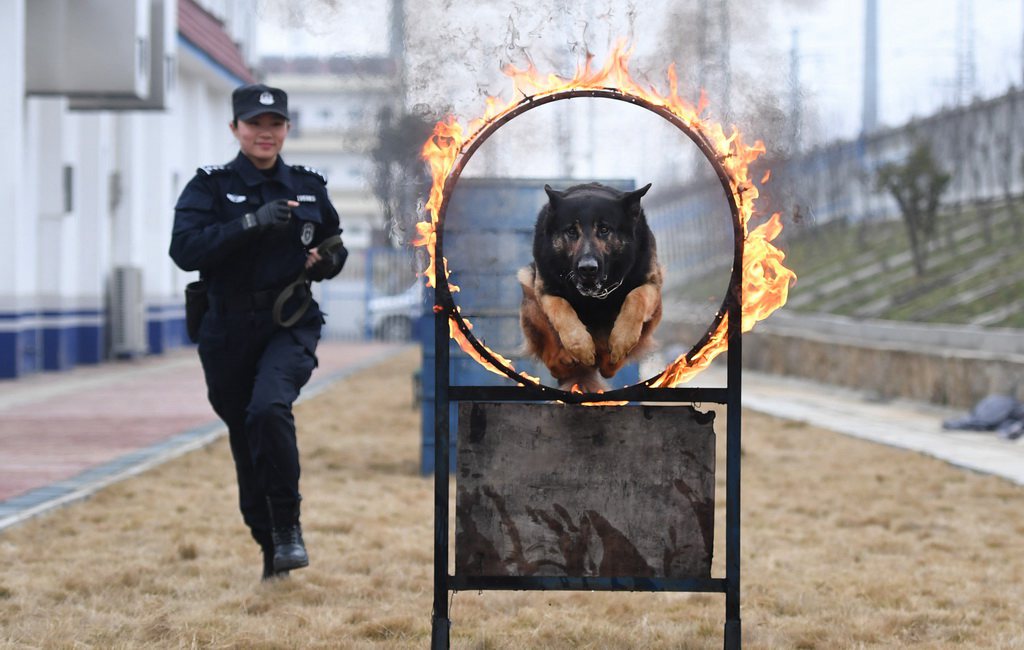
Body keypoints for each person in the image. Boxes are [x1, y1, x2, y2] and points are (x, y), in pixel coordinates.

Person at [169, 83, 347, 581]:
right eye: (254, 125)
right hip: (226, 332)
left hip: (287, 325)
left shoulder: (310, 187)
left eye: (274, 125)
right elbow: (184, 252)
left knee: (269, 408)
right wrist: (250, 222)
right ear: (235, 129)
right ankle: (271, 548)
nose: (264, 134)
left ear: (286, 129)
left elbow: (334, 246)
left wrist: (326, 262)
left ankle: (289, 528)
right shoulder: (209, 186)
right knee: (248, 440)